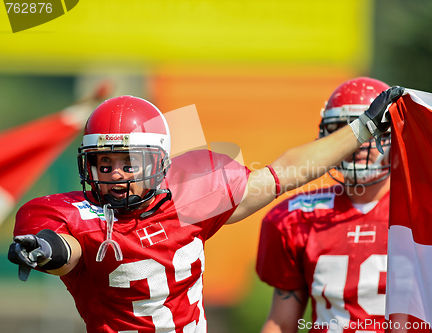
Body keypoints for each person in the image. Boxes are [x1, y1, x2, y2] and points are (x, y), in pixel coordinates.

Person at [8, 86, 402, 333]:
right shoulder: (75, 215)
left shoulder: (188, 200)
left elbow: (284, 172)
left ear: (159, 164)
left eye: (130, 163)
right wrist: (46, 250)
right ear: (87, 166)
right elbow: (66, 248)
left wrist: (361, 129)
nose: (117, 176)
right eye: (104, 164)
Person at [256, 77, 393, 333]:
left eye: (373, 130)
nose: (359, 143)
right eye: (345, 130)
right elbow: (282, 322)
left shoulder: (428, 212)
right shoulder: (296, 218)